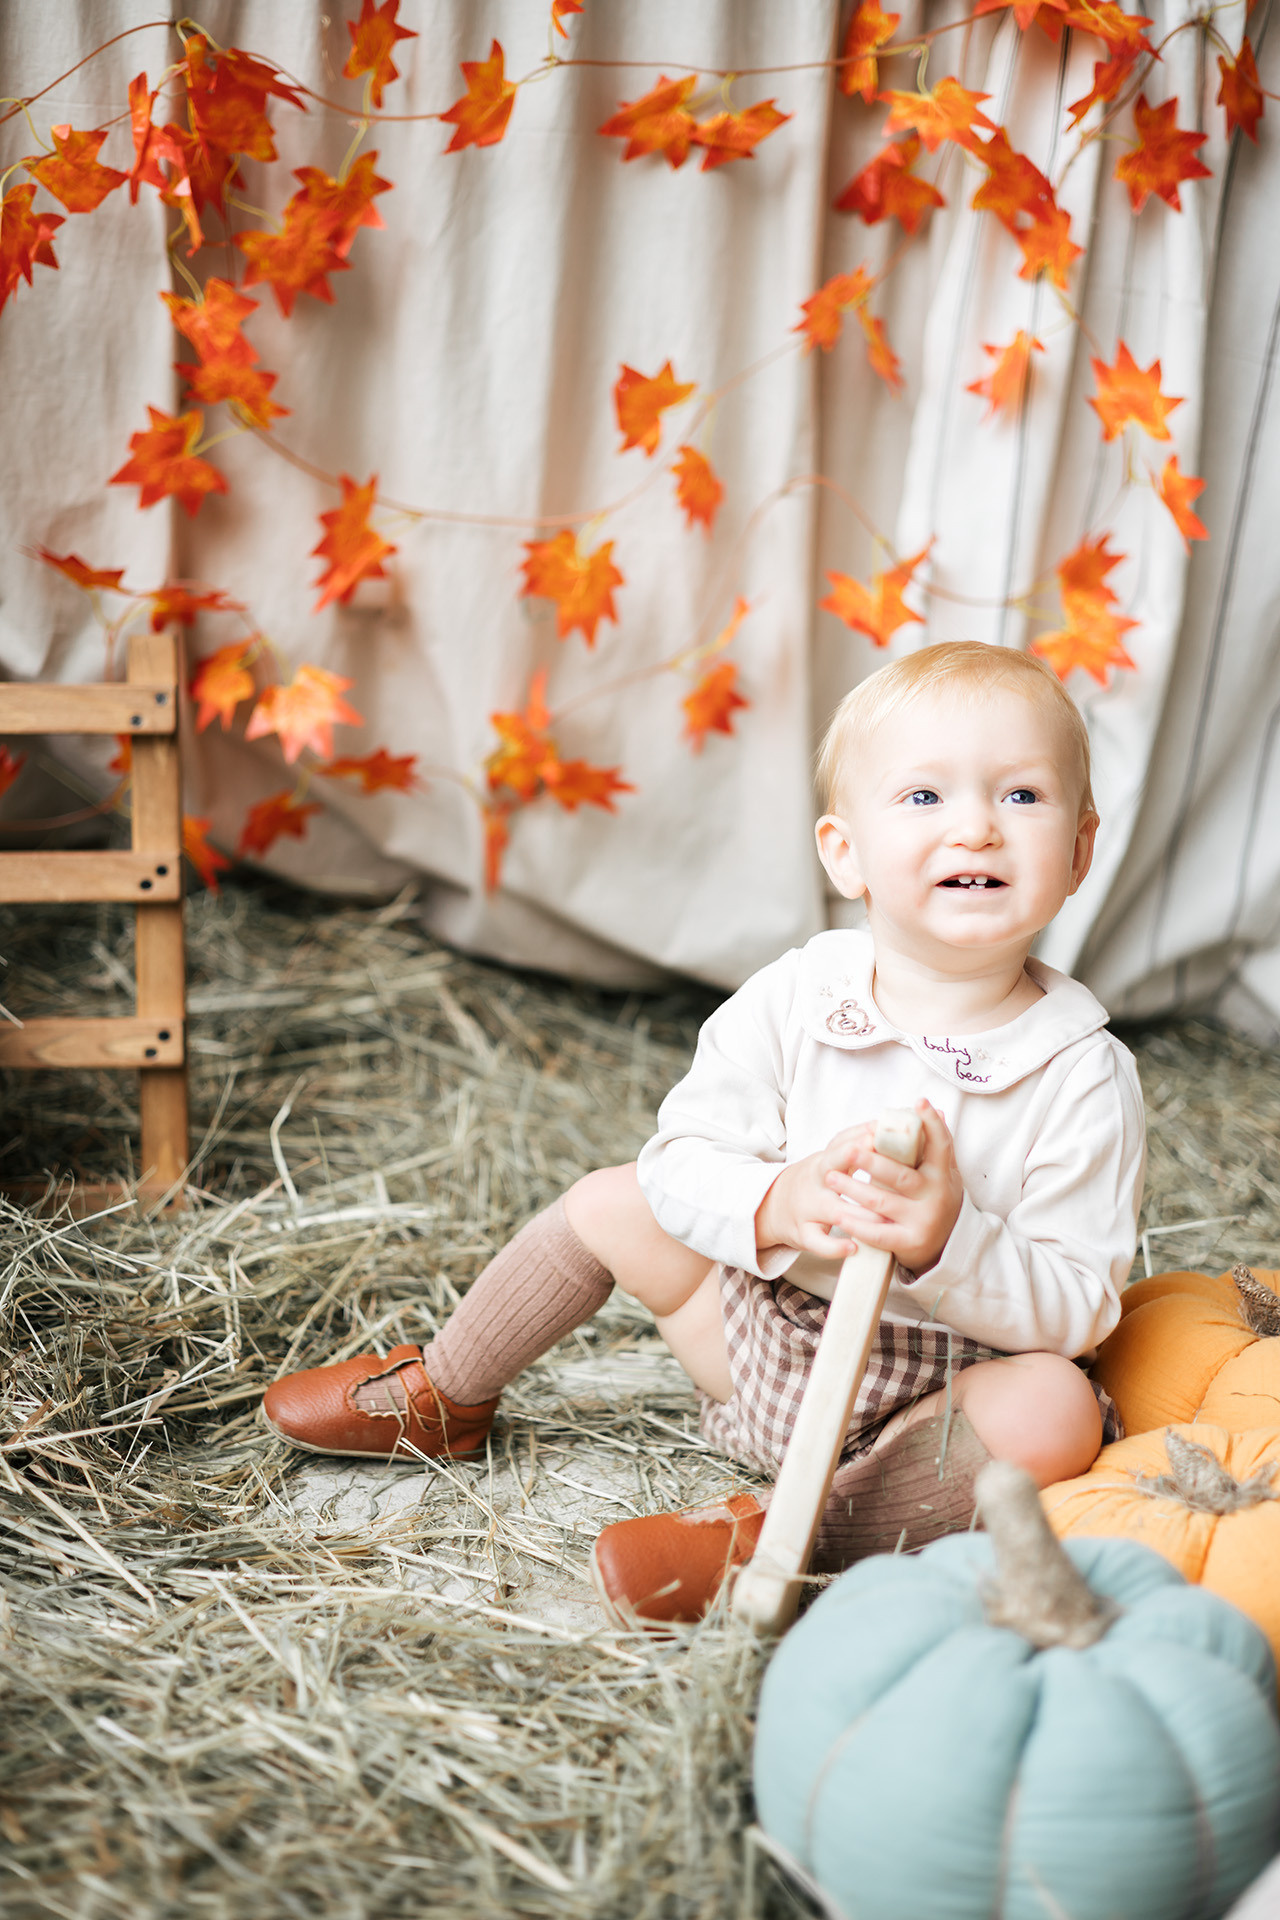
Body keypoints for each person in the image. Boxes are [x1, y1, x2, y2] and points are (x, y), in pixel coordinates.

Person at [262, 642, 1145, 1628]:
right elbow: (681, 1162)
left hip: (933, 1404)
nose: (975, 827)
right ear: (844, 851)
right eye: (924, 797)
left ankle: (789, 1539)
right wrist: (780, 1201)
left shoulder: (1080, 1072)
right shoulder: (796, 997)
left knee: (1056, 1409)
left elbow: (1079, 1306)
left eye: (1021, 795)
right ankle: (449, 1390)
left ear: (1078, 850)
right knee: (614, 1198)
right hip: (760, 1343)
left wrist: (948, 1243)